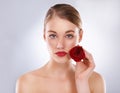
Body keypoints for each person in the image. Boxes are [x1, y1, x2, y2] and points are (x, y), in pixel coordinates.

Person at [16, 3, 106, 93]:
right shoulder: (27, 83)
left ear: (80, 36)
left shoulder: (95, 81)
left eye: (69, 36)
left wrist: (81, 81)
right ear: (44, 36)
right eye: (53, 35)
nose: (60, 45)